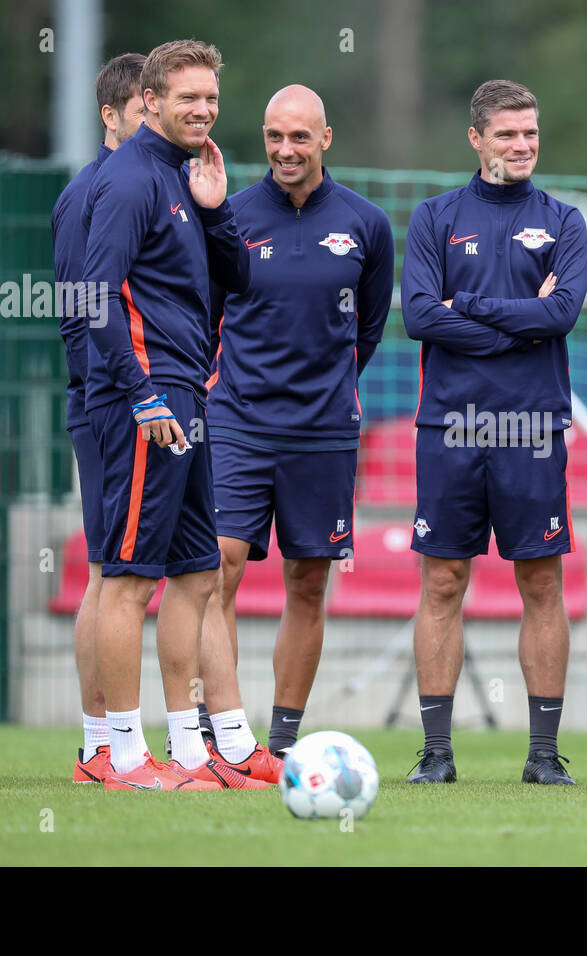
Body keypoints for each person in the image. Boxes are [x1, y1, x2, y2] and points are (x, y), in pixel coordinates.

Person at [82, 39, 263, 791]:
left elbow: (243, 279)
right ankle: (120, 756)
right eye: (188, 97)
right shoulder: (128, 180)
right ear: (148, 100)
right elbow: (97, 296)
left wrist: (217, 214)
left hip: (188, 396)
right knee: (129, 579)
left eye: (211, 99)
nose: (203, 110)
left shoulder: (184, 179)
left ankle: (189, 750)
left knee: (195, 577)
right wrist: (144, 393)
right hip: (148, 403)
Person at [400, 79, 587, 785]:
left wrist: (470, 308)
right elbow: (419, 315)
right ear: (476, 138)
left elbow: (562, 314)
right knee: (443, 580)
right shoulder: (433, 217)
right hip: (449, 424)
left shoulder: (563, 221)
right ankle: (437, 755)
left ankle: (543, 757)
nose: (522, 146)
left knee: (540, 582)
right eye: (508, 134)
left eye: (531, 134)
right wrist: (517, 323)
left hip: (533, 427)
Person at [202, 85, 394, 761]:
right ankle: (218, 733)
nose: (286, 150)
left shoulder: (366, 224)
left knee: (308, 581)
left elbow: (367, 328)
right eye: (275, 137)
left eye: (300, 138)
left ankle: (280, 745)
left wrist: (333, 384)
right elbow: (205, 314)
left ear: (326, 138)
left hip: (323, 431)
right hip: (237, 421)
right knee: (216, 569)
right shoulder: (228, 214)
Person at [53, 52, 145, 784]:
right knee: (110, 574)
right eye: (144, 110)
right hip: (109, 401)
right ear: (111, 116)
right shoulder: (93, 191)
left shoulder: (153, 181)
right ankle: (101, 745)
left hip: (134, 397)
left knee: (118, 572)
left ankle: (107, 745)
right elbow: (84, 304)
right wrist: (120, 387)